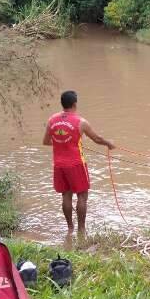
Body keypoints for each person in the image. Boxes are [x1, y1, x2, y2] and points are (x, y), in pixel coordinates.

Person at [42, 91, 115, 235]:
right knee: (82, 196)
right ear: (75, 104)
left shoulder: (52, 120)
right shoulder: (81, 122)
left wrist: (62, 143)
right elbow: (97, 139)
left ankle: (70, 228)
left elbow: (45, 142)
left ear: (62, 104)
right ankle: (81, 229)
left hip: (59, 165)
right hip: (76, 164)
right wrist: (109, 143)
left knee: (66, 195)